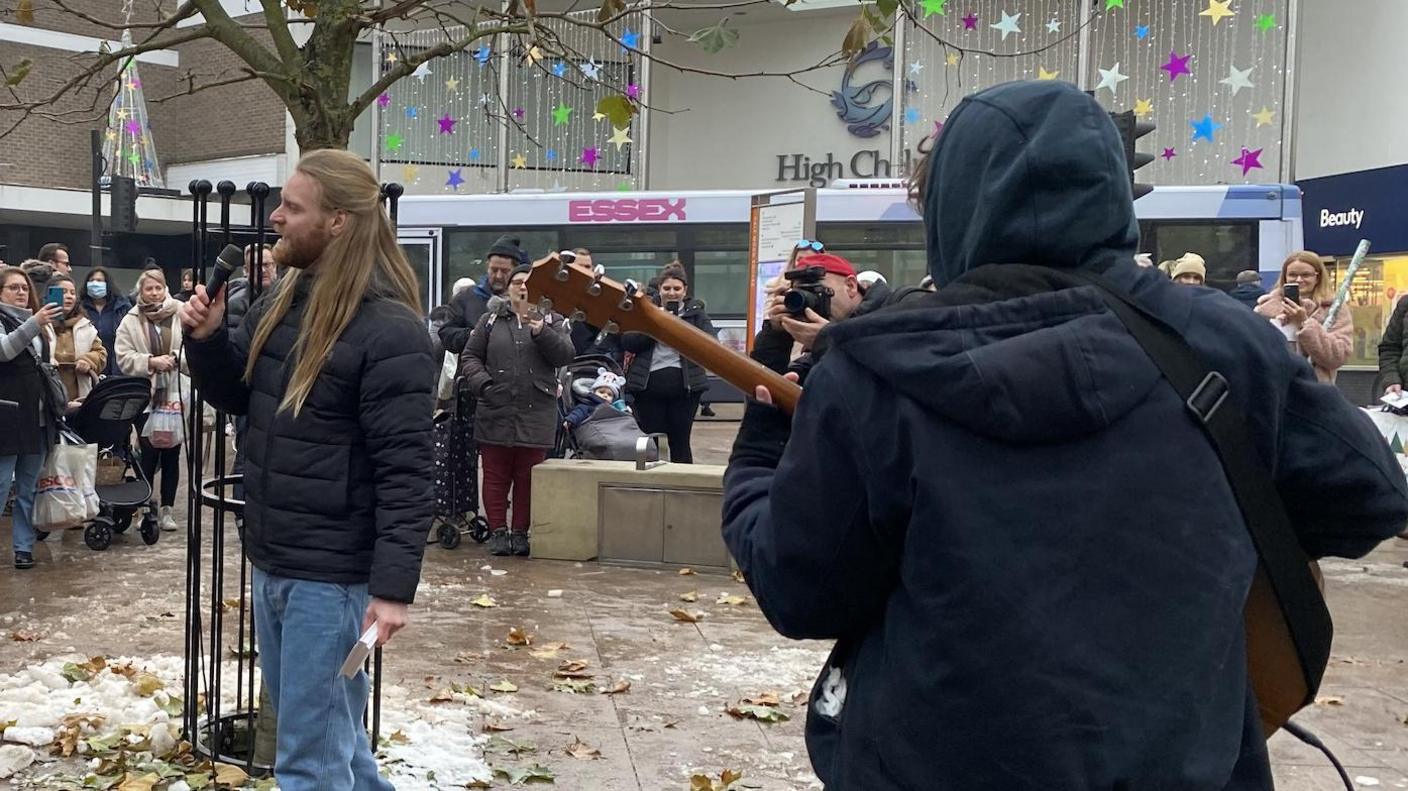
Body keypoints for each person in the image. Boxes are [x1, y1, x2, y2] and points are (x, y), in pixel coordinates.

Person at [722, 80, 1408, 790]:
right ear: (1111, 194)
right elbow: (1372, 498)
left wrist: (758, 451)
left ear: (953, 208)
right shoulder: (1222, 342)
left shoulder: (873, 372)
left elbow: (797, 586)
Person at [179, 149, 433, 791]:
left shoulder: (391, 331)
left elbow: (407, 473)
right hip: (276, 562)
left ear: (339, 222)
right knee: (335, 747)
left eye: (292, 208)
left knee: (308, 762)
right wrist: (208, 340)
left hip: (334, 586)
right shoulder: (281, 302)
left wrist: (392, 590)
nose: (276, 220)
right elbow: (244, 400)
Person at [459, 263, 574, 557]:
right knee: (495, 475)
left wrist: (541, 331)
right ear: (508, 288)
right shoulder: (490, 320)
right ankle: (498, 531)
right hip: (494, 408)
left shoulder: (554, 320)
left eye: (529, 283)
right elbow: (470, 356)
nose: (522, 288)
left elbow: (565, 355)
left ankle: (521, 533)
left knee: (527, 478)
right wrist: (483, 385)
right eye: (517, 282)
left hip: (537, 411)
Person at [621, 263, 716, 464]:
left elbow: (711, 344)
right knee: (650, 442)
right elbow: (629, 341)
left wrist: (681, 330)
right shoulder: (645, 309)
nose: (671, 293)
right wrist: (656, 325)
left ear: (685, 290)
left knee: (680, 442)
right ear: (660, 289)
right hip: (648, 388)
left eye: (676, 289)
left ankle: (682, 487)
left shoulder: (696, 313)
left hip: (685, 389)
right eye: (667, 288)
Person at [0, 266, 63, 570]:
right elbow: (4, 350)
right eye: (13, 287)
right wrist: (35, 323)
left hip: (38, 415)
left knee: (28, 487)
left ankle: (23, 548)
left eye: (24, 287)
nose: (21, 292)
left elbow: (46, 364)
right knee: (0, 486)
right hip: (8, 416)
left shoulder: (38, 321)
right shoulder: (11, 321)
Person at [116, 269, 185, 532]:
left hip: (176, 394)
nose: (154, 293)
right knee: (148, 452)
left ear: (165, 288)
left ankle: (168, 508)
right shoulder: (131, 320)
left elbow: (193, 346)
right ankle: (145, 508)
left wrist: (177, 360)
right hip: (146, 396)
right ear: (140, 292)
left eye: (158, 288)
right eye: (149, 289)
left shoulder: (180, 312)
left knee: (172, 453)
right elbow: (122, 356)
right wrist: (150, 362)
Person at [1255, 251, 1353, 384]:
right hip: (1274, 388)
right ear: (1285, 277)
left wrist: (1304, 323)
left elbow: (1337, 357)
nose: (1299, 280)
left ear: (1317, 277)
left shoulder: (1332, 309)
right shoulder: (1265, 310)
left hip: (1314, 391)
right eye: (1293, 275)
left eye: (1306, 275)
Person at [439, 236, 521, 355]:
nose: (498, 276)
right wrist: (472, 335)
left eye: (504, 271)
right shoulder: (466, 297)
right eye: (494, 270)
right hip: (472, 369)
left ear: (515, 270)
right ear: (487, 266)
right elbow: (446, 334)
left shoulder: (527, 301)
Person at [44, 273, 106, 409]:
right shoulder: (40, 325)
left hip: (79, 399)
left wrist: (89, 361)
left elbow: (100, 353)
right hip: (47, 399)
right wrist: (47, 360)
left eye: (72, 293)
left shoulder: (85, 326)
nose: (69, 296)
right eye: (63, 292)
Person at [81, 267, 133, 376]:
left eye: (99, 280)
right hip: (89, 367)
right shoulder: (80, 308)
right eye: (91, 280)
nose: (95, 283)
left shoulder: (122, 307)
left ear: (108, 284)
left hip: (117, 367)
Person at [565, 369, 630, 430]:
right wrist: (570, 420)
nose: (605, 395)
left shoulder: (614, 407)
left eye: (609, 395)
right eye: (601, 392)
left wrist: (627, 412)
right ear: (593, 392)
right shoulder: (587, 405)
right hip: (594, 429)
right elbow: (577, 413)